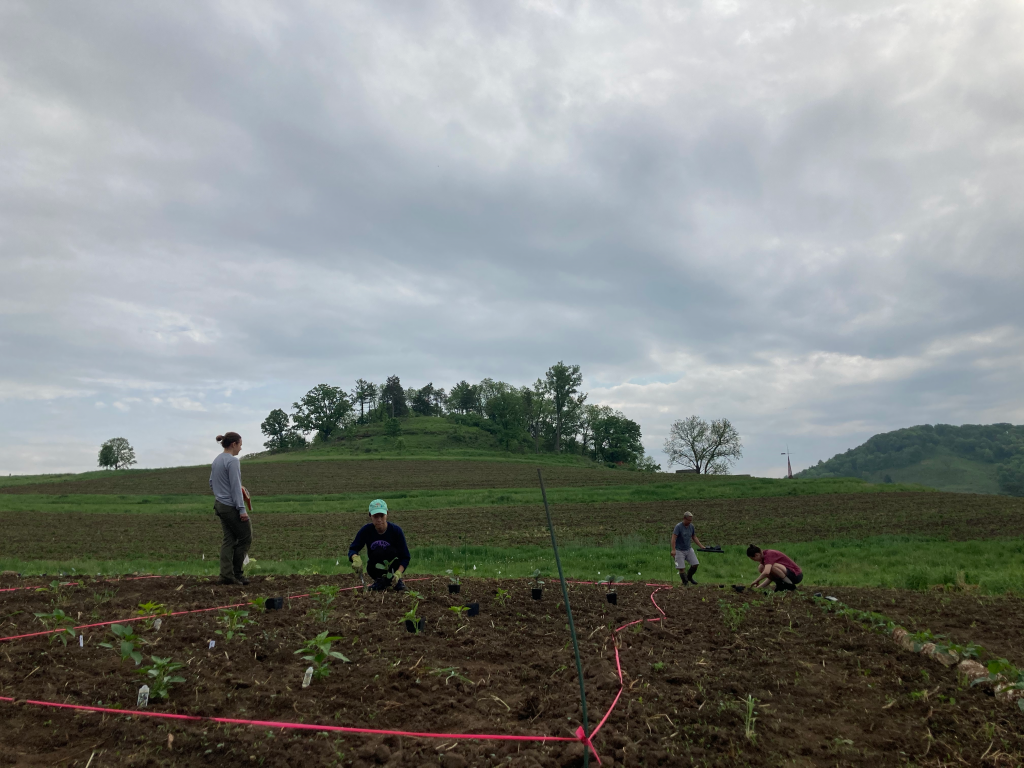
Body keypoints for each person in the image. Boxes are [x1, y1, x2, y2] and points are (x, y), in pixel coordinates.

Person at [209, 432, 252, 586]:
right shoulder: (233, 461)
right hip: (230, 506)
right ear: (233, 444)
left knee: (229, 540)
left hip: (219, 504)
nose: (241, 448)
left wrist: (220, 493)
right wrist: (242, 509)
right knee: (246, 537)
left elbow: (211, 482)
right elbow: (235, 487)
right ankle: (237, 574)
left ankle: (226, 575)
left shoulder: (217, 460)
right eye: (240, 445)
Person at [348, 499, 410, 591]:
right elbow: (353, 549)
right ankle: (380, 581)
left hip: (394, 569)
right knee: (377, 552)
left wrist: (398, 573)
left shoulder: (396, 531)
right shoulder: (366, 531)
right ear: (370, 515)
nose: (379, 519)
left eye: (382, 515)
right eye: (375, 516)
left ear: (387, 514)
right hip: (374, 569)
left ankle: (396, 582)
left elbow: (405, 557)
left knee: (391, 551)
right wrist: (355, 558)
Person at [671, 512, 705, 585]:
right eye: (688, 520)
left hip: (688, 549)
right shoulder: (678, 527)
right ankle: (685, 582)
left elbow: (694, 537)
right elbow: (673, 538)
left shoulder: (691, 526)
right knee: (681, 568)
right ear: (684, 519)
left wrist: (701, 546)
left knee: (695, 564)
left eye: (691, 520)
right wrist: (673, 550)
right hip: (679, 550)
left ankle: (689, 577)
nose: (690, 522)